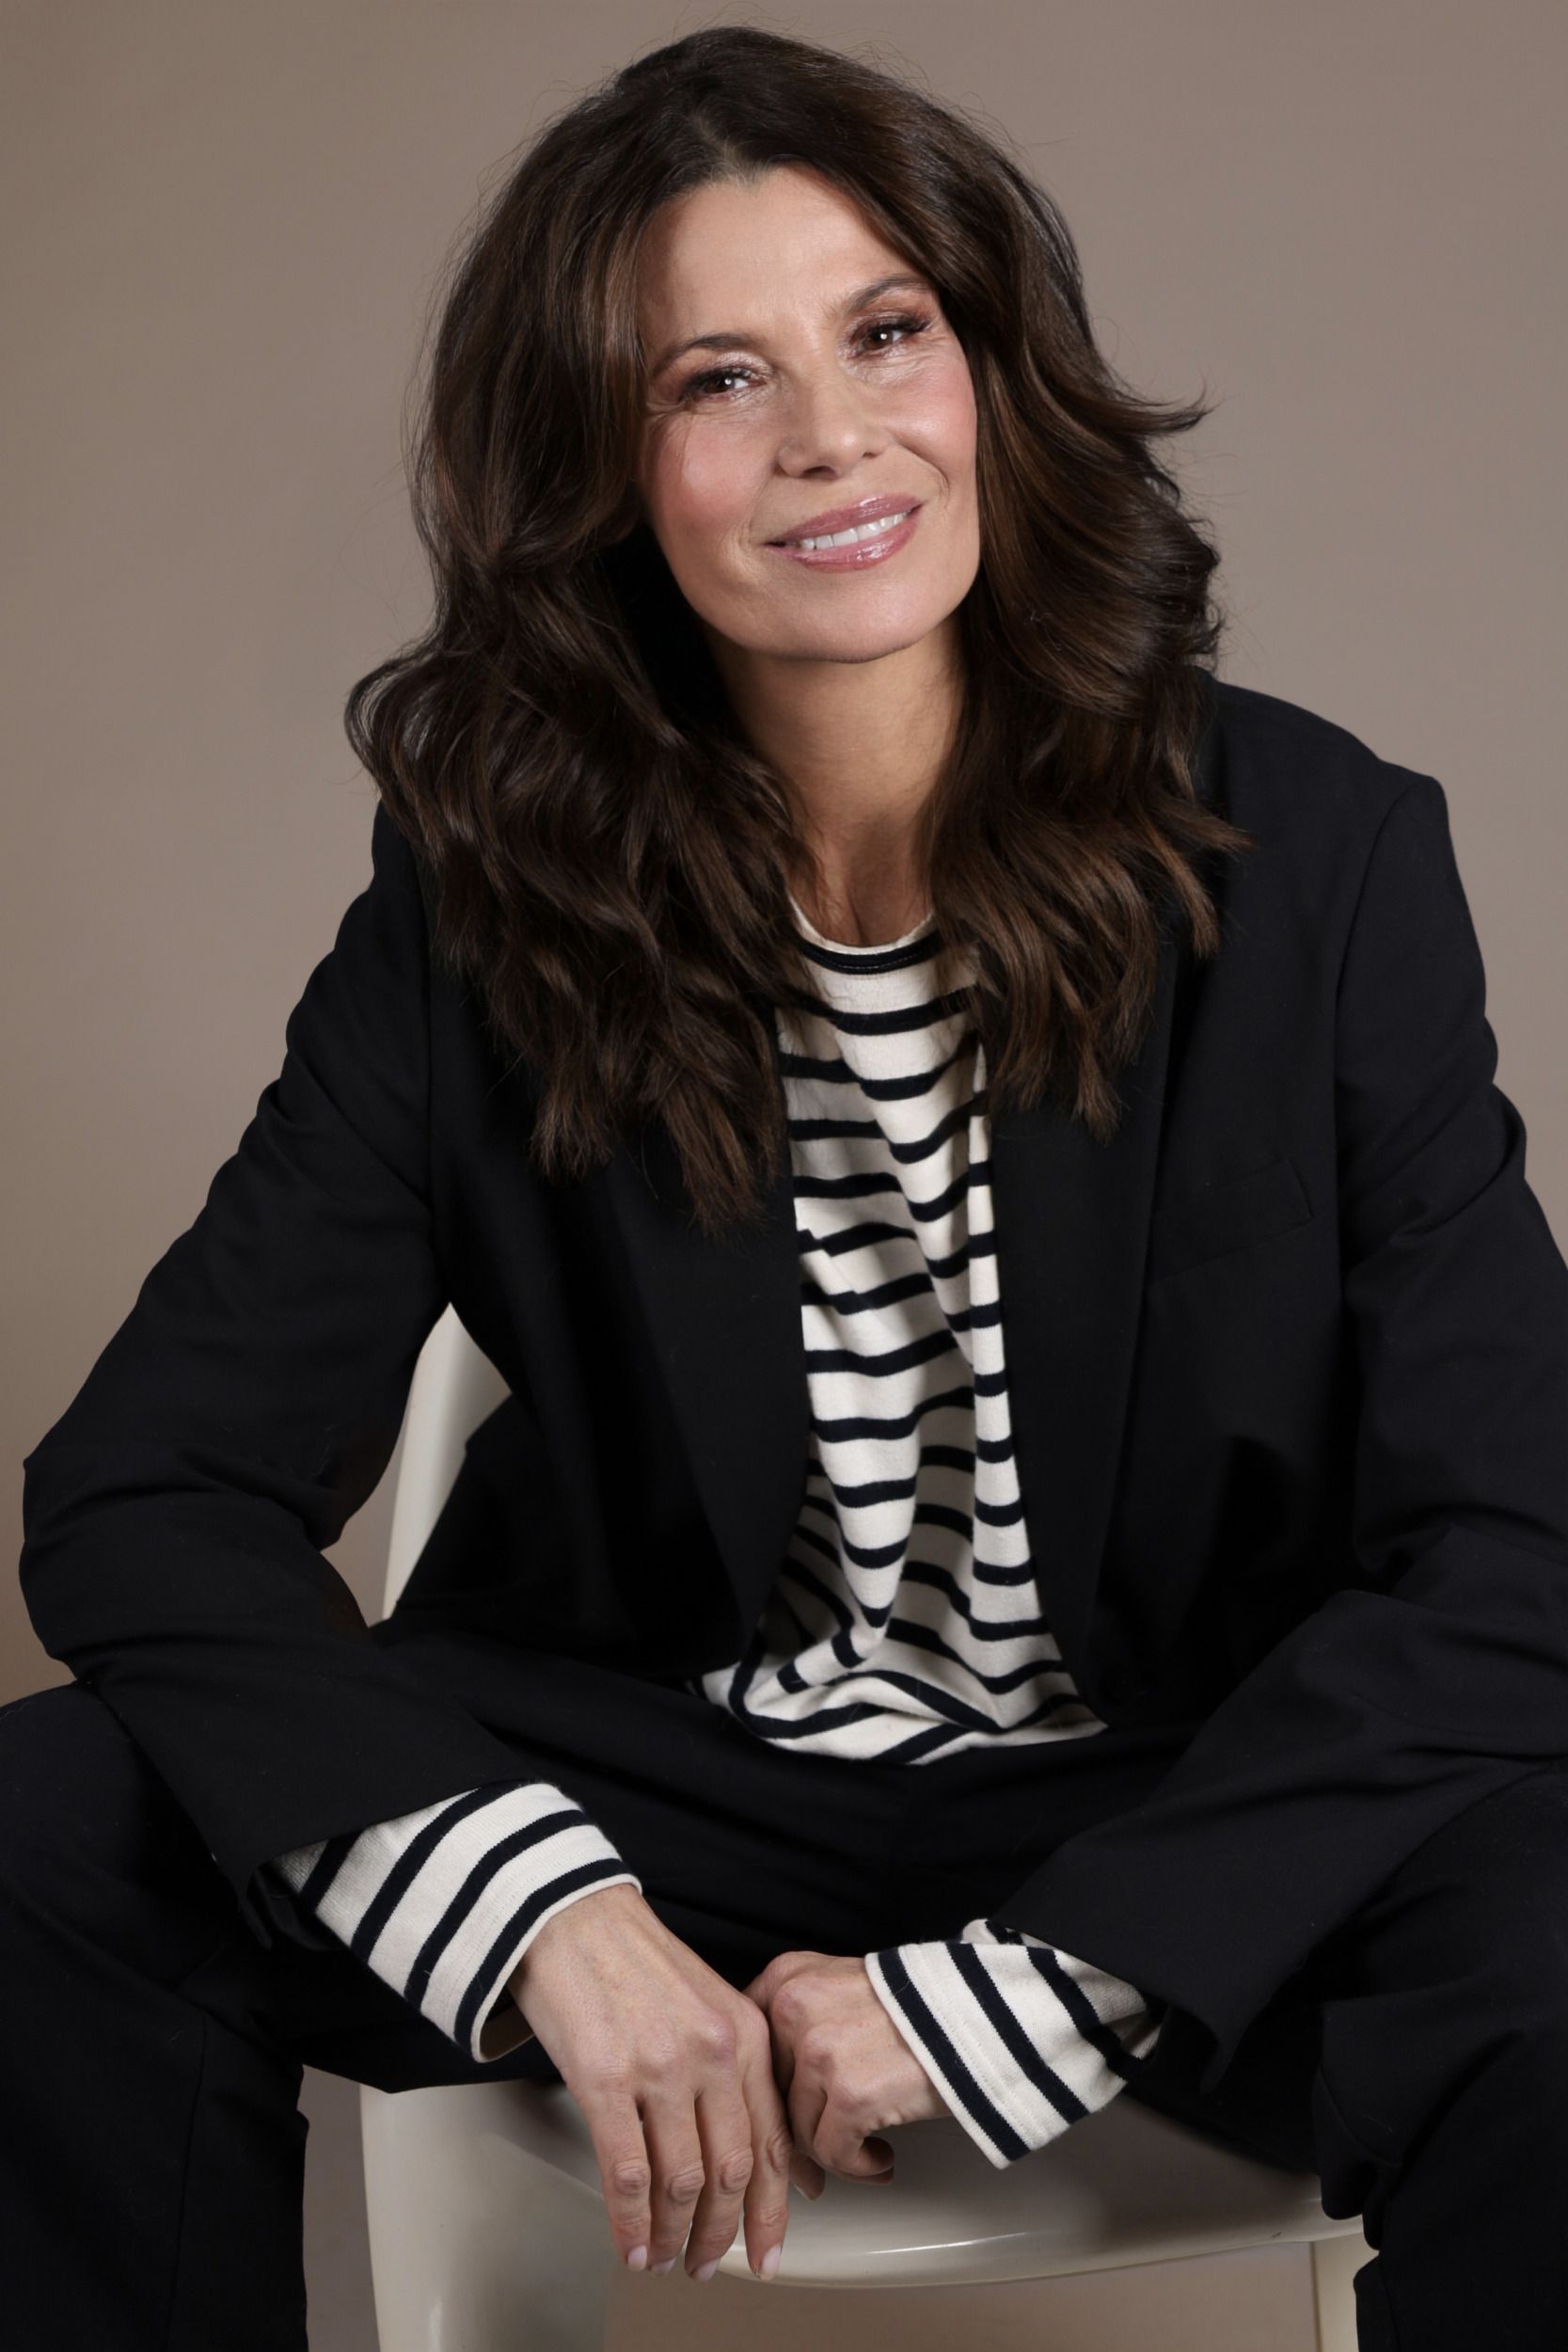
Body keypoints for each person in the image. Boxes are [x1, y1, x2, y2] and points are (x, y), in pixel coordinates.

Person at [6, 24, 1565, 2350]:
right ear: (602, 469)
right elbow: (144, 1492)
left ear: (993, 372)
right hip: (674, 1784)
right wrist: (539, 1905)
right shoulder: (485, 912)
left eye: (886, 332)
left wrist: (1025, 1984)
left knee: (1555, 1919)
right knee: (49, 1832)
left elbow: (1523, 1542)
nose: (834, 436)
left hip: (1178, 1786)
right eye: (716, 379)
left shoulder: (1316, 858)